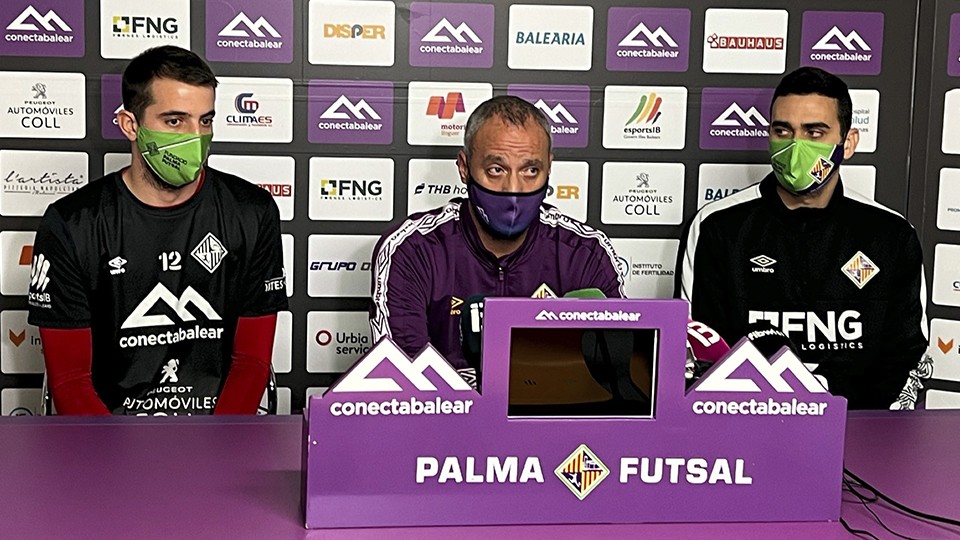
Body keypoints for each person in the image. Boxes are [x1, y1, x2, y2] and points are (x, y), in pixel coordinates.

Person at [27, 46, 287, 415]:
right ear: (131, 125)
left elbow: (251, 361)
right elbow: (70, 380)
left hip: (217, 433)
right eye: (175, 121)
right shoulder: (72, 223)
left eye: (206, 121)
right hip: (111, 440)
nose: (195, 138)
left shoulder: (252, 213)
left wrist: (219, 448)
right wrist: (120, 463)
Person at [676, 67, 931, 410]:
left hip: (857, 429)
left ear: (848, 142)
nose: (796, 147)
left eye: (815, 133)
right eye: (783, 131)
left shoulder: (890, 235)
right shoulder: (717, 227)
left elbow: (905, 354)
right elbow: (700, 350)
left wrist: (825, 399)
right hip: (747, 427)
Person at [370, 96, 624, 371]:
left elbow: (612, 372)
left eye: (530, 170)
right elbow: (404, 378)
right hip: (447, 413)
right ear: (464, 168)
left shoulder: (585, 253)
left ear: (549, 168)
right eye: (496, 170)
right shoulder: (413, 250)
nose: (512, 188)